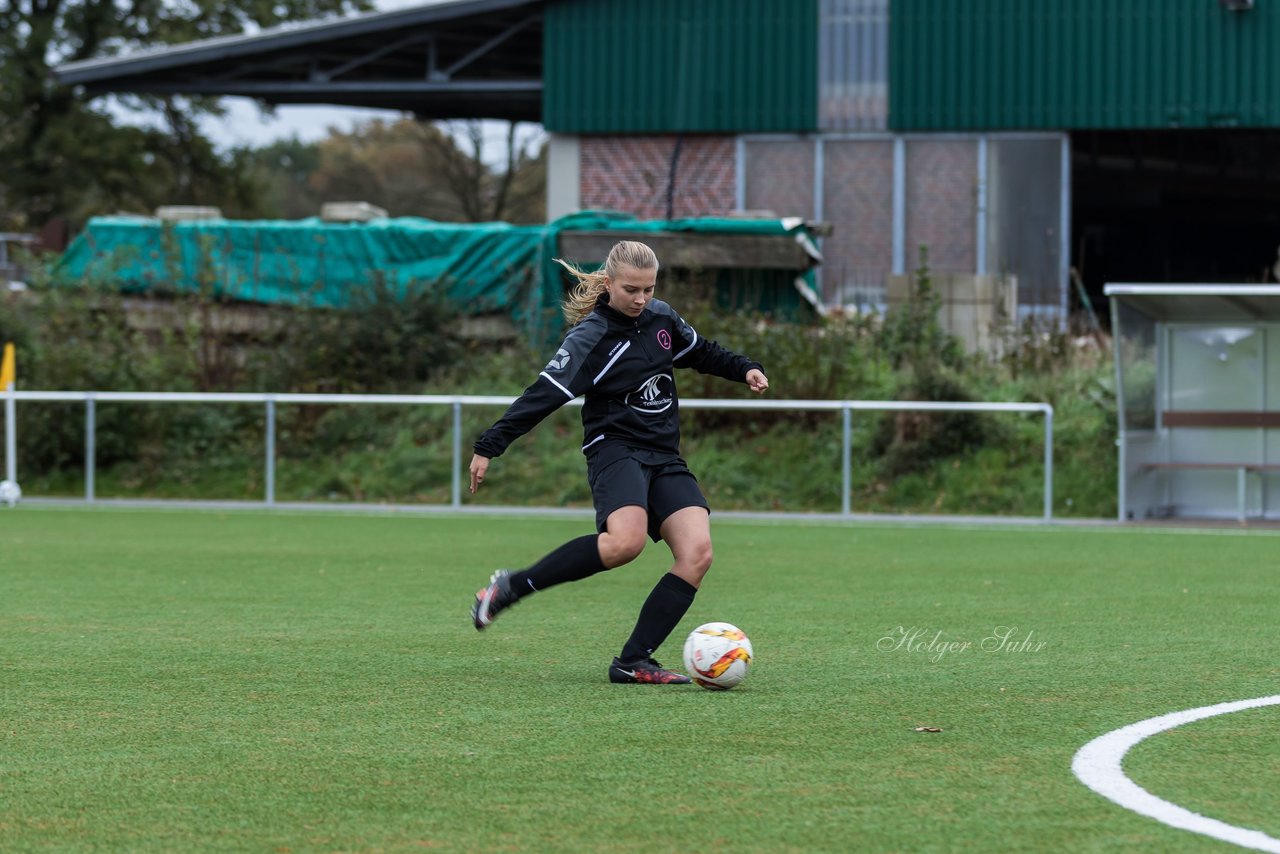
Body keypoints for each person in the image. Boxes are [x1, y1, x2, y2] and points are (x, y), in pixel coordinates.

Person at [468, 240, 770, 684]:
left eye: (648, 289)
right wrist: (491, 443)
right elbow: (544, 394)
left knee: (697, 554)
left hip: (664, 455)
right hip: (615, 449)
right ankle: (511, 587)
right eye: (631, 289)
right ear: (608, 283)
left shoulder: (661, 318)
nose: (641, 298)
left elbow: (701, 351)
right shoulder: (590, 337)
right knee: (622, 544)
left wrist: (745, 368)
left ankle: (633, 661)